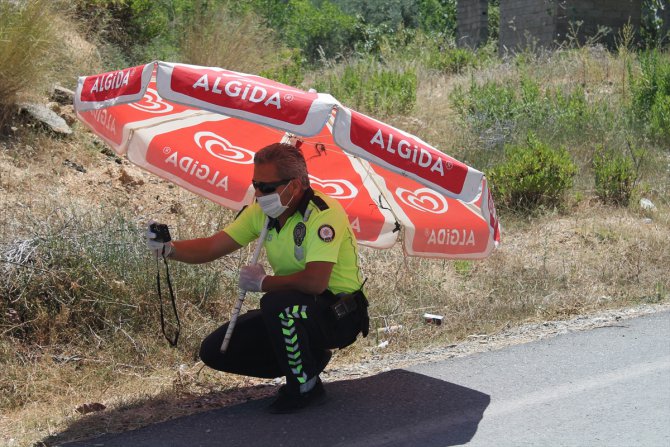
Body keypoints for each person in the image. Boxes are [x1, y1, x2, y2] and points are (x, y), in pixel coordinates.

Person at [146, 142, 369, 414]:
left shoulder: (323, 214)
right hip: (302, 309)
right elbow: (212, 247)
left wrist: (264, 283)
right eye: (255, 183)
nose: (258, 193)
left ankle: (305, 387)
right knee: (215, 351)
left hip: (339, 314)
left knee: (277, 304)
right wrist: (169, 249)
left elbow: (315, 282)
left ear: (295, 186)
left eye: (266, 187)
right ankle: (308, 360)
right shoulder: (262, 213)